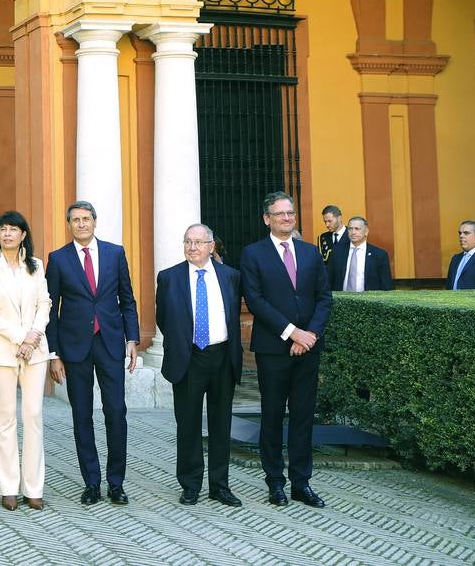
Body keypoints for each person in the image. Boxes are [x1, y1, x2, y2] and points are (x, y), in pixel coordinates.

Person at [240, 192, 333, 508]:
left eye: (290, 213)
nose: (286, 218)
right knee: (273, 416)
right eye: (280, 214)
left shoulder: (310, 253)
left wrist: (310, 336)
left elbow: (324, 298)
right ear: (267, 218)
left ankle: (301, 483)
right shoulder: (253, 254)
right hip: (273, 349)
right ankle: (275, 483)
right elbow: (256, 301)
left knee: (304, 417)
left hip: (309, 349)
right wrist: (292, 333)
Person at [46, 200, 140, 506]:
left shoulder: (115, 253)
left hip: (111, 342)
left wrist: (133, 339)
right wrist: (54, 353)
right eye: (75, 220)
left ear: (95, 222)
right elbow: (51, 310)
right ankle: (91, 482)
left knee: (116, 411)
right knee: (81, 415)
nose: (82, 224)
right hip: (75, 348)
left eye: (86, 219)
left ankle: (116, 483)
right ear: (69, 224)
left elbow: (127, 299)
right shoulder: (58, 259)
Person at [156, 224, 244, 507]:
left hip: (222, 357)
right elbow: (163, 318)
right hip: (189, 358)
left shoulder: (231, 276)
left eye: (198, 242)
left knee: (221, 424)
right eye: (187, 242)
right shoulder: (169, 277)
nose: (192, 247)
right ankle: (191, 484)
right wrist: (182, 342)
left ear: (211, 246)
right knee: (189, 424)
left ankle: (220, 485)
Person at [0, 211, 50, 511]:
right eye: (2, 229)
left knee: (32, 416)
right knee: (5, 418)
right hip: (1, 351)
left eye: (13, 229)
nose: (7, 234)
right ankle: (7, 486)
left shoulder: (36, 266)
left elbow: (45, 303)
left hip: (36, 351)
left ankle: (33, 487)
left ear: (23, 235)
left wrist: (34, 335)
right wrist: (22, 337)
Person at [327, 216, 393, 292]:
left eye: (357, 229)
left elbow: (386, 285)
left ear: (366, 232)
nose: (353, 232)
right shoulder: (337, 252)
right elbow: (328, 280)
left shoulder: (379, 255)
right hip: (341, 300)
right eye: (350, 229)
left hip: (369, 301)